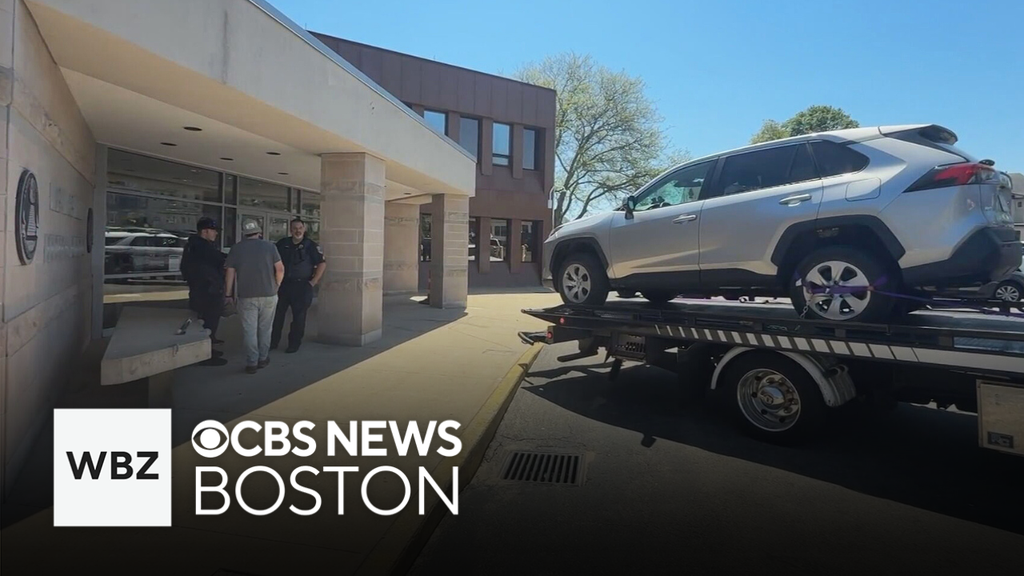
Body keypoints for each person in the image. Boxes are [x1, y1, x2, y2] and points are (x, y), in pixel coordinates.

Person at [225, 219, 284, 374]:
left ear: (244, 233)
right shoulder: (270, 247)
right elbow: (280, 269)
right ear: (259, 232)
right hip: (269, 294)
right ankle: (263, 358)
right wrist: (276, 286)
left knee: (249, 331)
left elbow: (230, 273)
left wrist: (228, 294)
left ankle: (252, 362)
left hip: (246, 296)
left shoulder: (236, 249)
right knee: (265, 329)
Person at [271, 218, 326, 353]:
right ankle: (272, 342)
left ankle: (294, 344)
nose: (297, 231)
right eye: (295, 228)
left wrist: (313, 282)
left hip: (302, 286)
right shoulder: (282, 244)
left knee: (299, 317)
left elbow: (322, 263)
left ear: (304, 229)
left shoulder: (310, 245)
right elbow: (272, 261)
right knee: (277, 316)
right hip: (283, 286)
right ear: (290, 230)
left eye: (300, 228)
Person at [180, 217, 228, 366]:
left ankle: (208, 348)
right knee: (207, 324)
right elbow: (220, 260)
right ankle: (204, 355)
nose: (216, 234)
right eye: (214, 231)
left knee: (207, 323)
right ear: (205, 231)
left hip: (203, 290)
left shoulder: (194, 245)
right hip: (207, 292)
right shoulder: (201, 247)